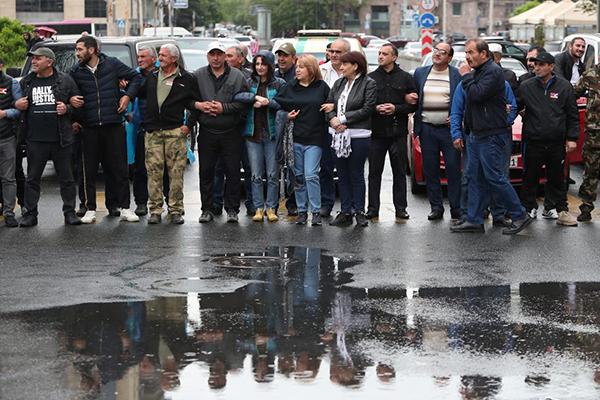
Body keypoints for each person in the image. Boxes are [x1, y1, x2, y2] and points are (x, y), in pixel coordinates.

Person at [450, 39, 531, 235]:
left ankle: (519, 215)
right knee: (475, 178)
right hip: (476, 134)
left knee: (495, 177)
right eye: (466, 53)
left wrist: (466, 76)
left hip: (492, 135)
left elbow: (477, 94)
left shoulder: (493, 72)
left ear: (484, 54)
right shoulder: (479, 72)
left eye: (471, 52)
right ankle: (474, 219)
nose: (467, 57)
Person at [70, 35, 142, 224]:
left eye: (79, 49)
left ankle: (126, 208)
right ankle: (90, 209)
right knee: (88, 171)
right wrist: (71, 101)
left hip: (113, 125)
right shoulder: (75, 71)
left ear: (91, 50)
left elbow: (136, 77)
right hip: (89, 127)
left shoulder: (112, 64)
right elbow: (65, 91)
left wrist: (127, 97)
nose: (77, 53)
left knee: (120, 169)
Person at [15, 48, 82, 227]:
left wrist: (67, 108)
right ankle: (30, 214)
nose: (34, 62)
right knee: (32, 179)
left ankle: (69, 213)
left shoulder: (65, 80)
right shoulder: (27, 81)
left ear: (49, 62)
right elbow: (16, 104)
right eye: (33, 59)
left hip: (61, 138)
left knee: (67, 179)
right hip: (35, 139)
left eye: (38, 59)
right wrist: (17, 104)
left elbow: (79, 104)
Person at [517, 51, 579, 226]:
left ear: (551, 66)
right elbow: (515, 106)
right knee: (530, 176)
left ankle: (557, 209)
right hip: (533, 140)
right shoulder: (526, 86)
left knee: (557, 177)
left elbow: (572, 115)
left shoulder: (564, 86)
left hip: (556, 142)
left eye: (541, 64)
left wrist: (572, 137)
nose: (537, 67)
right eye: (535, 64)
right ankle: (529, 207)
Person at [140, 44, 199, 225]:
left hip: (175, 132)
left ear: (174, 58)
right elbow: (141, 96)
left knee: (175, 174)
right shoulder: (151, 76)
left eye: (164, 55)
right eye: (159, 54)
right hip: (153, 133)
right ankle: (155, 210)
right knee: (154, 173)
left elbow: (196, 104)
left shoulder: (187, 78)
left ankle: (175, 210)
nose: (160, 57)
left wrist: (188, 126)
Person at [450, 72, 518, 227]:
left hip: (499, 136)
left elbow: (512, 108)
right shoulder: (465, 84)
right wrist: (456, 134)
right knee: (470, 175)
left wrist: (499, 124)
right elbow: (456, 111)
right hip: (473, 135)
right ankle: (469, 215)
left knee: (499, 175)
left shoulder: (502, 84)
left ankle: (499, 214)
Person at [192, 41, 249, 223]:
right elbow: (188, 100)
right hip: (207, 131)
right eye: (212, 54)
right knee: (206, 172)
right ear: (207, 56)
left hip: (231, 131)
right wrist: (199, 105)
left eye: (219, 54)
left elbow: (243, 103)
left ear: (225, 56)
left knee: (232, 171)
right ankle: (207, 209)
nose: (215, 58)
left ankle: (232, 209)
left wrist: (223, 108)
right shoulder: (198, 75)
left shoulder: (237, 76)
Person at [274, 54, 330, 226]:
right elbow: (277, 103)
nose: (297, 70)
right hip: (294, 138)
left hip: (315, 138)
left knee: (311, 175)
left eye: (302, 67)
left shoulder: (322, 87)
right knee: (298, 177)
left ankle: (316, 211)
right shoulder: (290, 87)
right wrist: (286, 116)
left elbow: (332, 104)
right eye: (297, 66)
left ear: (311, 70)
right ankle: (301, 211)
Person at [323, 51, 377, 227]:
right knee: (343, 174)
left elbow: (368, 108)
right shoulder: (339, 83)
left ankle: (359, 211)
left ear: (355, 66)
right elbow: (329, 104)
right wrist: (332, 119)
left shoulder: (368, 83)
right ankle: (345, 211)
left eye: (345, 64)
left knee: (356, 173)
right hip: (337, 135)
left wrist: (343, 118)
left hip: (358, 136)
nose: (341, 66)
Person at [411, 42, 462, 221]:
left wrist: (457, 117)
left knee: (453, 170)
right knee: (431, 170)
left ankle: (457, 209)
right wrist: (409, 98)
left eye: (442, 52)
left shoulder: (456, 75)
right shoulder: (420, 73)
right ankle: (436, 208)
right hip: (427, 129)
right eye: (436, 50)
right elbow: (413, 96)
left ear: (449, 58)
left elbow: (462, 100)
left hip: (448, 131)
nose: (437, 54)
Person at [366, 43, 416, 221]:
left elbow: (414, 104)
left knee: (399, 172)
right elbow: (364, 105)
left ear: (394, 57)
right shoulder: (370, 78)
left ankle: (401, 208)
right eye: (379, 53)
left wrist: (396, 108)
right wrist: (376, 108)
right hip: (377, 132)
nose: (380, 56)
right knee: (374, 172)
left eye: (384, 54)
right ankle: (372, 208)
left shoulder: (405, 78)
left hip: (397, 131)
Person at [233, 50, 285, 223]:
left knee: (272, 173)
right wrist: (254, 97)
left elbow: (285, 103)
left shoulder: (279, 83)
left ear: (270, 65)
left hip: (271, 133)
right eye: (257, 64)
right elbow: (238, 96)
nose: (260, 67)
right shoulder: (248, 81)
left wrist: (268, 102)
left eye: (263, 64)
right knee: (255, 174)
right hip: (252, 134)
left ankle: (271, 207)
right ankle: (258, 208)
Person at [213, 45, 254, 217]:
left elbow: (247, 100)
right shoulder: (218, 75)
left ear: (241, 59)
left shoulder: (249, 77)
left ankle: (251, 203)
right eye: (225, 55)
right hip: (226, 129)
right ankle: (216, 203)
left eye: (230, 55)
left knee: (248, 168)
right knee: (220, 168)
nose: (226, 58)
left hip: (245, 130)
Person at [574, 56, 600, 222]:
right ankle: (586, 207)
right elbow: (572, 94)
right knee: (591, 171)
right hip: (594, 133)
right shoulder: (590, 75)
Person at [274, 42, 299, 216]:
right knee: (276, 166)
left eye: (285, 55)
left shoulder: (297, 76)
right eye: (279, 55)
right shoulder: (273, 75)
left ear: (293, 58)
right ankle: (274, 201)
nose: (281, 59)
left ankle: (293, 202)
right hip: (277, 127)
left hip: (295, 128)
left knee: (293, 167)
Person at [0, 58, 22, 227]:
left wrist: (5, 113)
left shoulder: (11, 83)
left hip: (6, 137)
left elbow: (20, 108)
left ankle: (9, 212)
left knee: (8, 178)